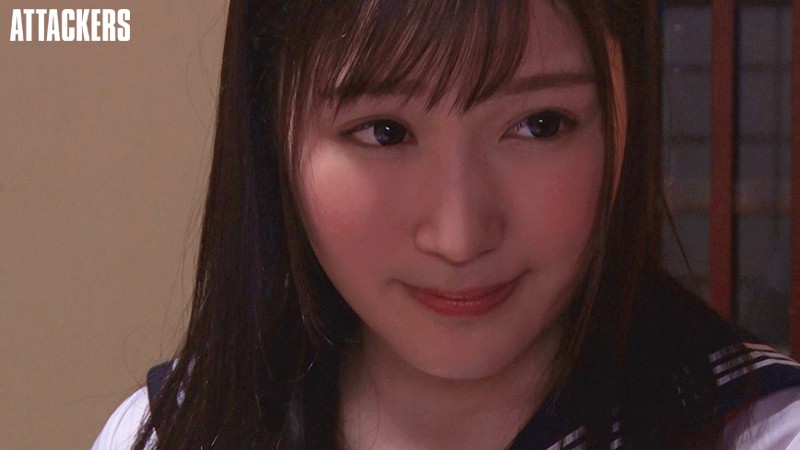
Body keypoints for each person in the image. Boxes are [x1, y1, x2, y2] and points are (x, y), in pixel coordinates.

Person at [93, 0, 800, 448]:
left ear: (628, 106)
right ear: (270, 128)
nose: (459, 238)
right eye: (384, 132)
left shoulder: (761, 432)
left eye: (540, 124)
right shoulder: (167, 433)